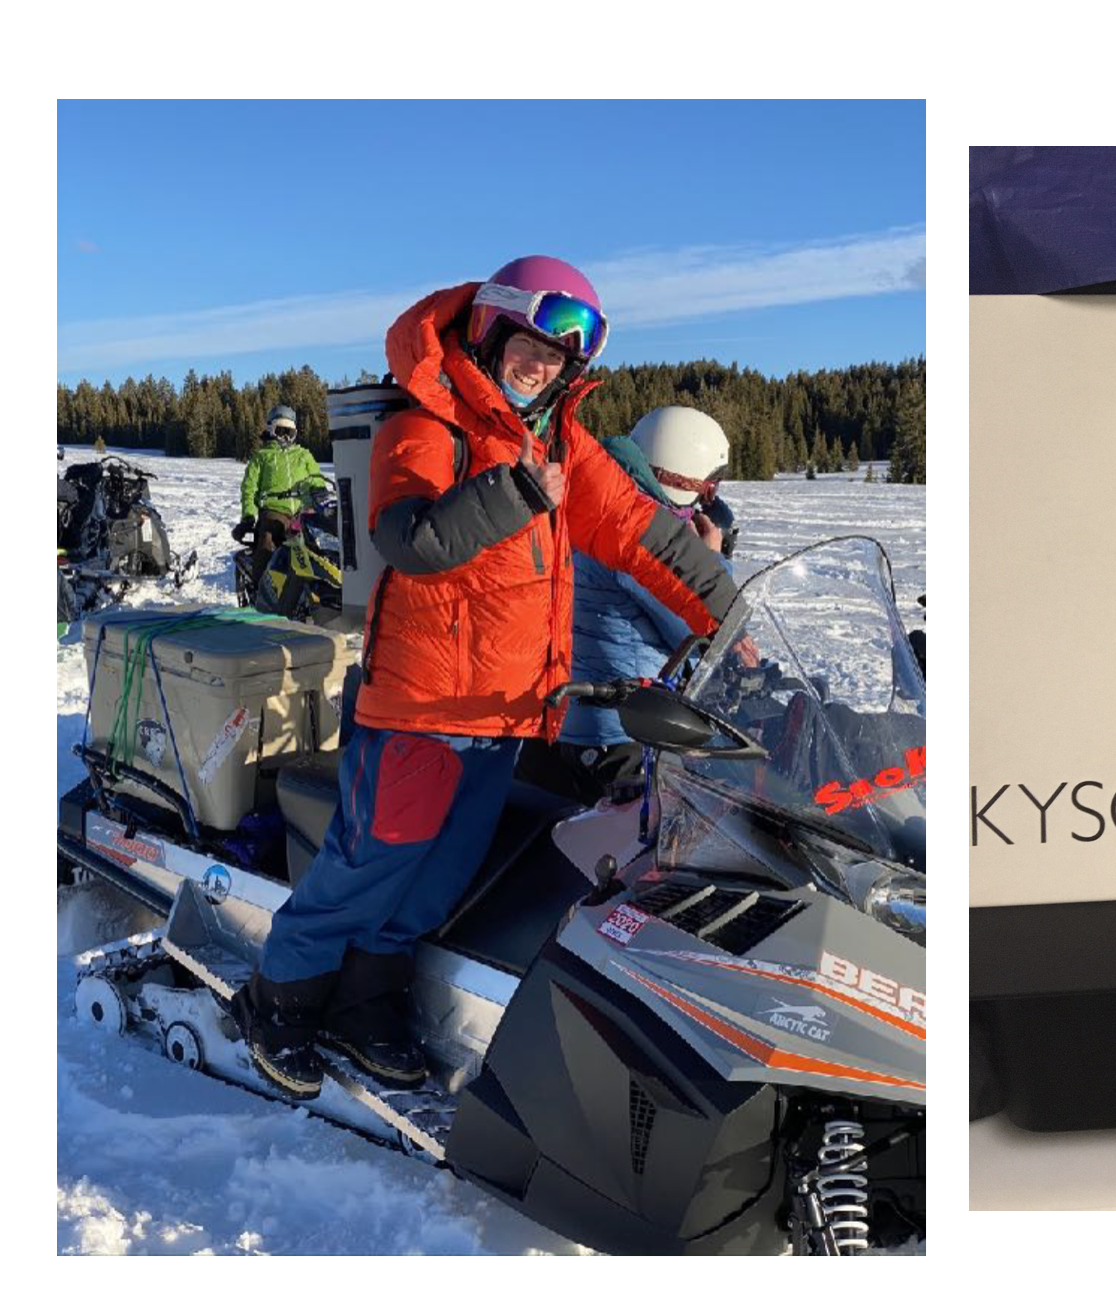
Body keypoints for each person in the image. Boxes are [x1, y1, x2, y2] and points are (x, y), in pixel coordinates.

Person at [230, 256, 737, 1099]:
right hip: (420, 708)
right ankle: (276, 1001)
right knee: (367, 869)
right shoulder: (430, 424)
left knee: (436, 882)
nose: (541, 367)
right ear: (491, 332)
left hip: (503, 715)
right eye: (528, 348)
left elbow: (646, 534)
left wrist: (731, 610)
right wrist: (515, 495)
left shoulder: (559, 444)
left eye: (558, 357)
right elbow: (410, 539)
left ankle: (366, 1004)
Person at [517, 405, 735, 804]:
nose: (710, 501)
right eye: (709, 487)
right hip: (623, 734)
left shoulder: (597, 508)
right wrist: (712, 558)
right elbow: (704, 637)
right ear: (685, 476)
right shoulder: (640, 537)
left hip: (568, 723)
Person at [234, 406, 328, 594]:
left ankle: (323, 589)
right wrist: (248, 517)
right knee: (268, 538)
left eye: (289, 432)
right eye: (280, 431)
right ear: (271, 430)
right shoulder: (262, 457)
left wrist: (319, 492)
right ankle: (261, 589)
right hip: (274, 510)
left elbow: (316, 477)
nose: (285, 437)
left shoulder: (303, 455)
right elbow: (249, 489)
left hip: (303, 512)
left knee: (318, 546)